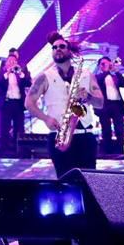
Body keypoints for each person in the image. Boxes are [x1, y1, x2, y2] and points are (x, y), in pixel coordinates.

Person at [26, 32, 104, 179]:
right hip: (59, 138)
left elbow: (100, 103)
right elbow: (29, 103)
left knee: (88, 183)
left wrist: (88, 97)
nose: (58, 49)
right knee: (65, 183)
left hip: (85, 137)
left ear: (69, 50)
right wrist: (46, 118)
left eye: (62, 46)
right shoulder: (45, 77)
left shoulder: (86, 74)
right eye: (54, 47)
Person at [0, 50, 31, 153]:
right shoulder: (2, 72)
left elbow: (28, 83)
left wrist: (21, 74)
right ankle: (4, 150)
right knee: (5, 127)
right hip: (6, 103)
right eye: (9, 61)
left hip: (18, 103)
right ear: (6, 63)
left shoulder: (21, 71)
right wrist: (7, 73)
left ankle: (18, 149)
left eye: (13, 61)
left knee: (19, 127)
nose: (11, 63)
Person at [94, 56, 124, 154]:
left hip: (117, 105)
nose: (105, 65)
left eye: (107, 63)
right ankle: (107, 152)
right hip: (104, 106)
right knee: (106, 130)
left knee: (120, 129)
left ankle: (120, 152)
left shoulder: (115, 75)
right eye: (102, 64)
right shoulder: (97, 76)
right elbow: (98, 82)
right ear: (99, 66)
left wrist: (116, 71)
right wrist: (107, 71)